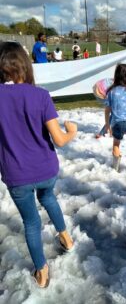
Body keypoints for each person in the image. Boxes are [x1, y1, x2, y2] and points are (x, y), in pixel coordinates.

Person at [0, 41, 77, 288]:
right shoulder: (40, 95)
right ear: (25, 66)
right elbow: (60, 139)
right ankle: (66, 237)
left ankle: (42, 271)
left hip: (15, 174)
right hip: (46, 169)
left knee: (31, 223)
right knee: (48, 198)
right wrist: (71, 131)